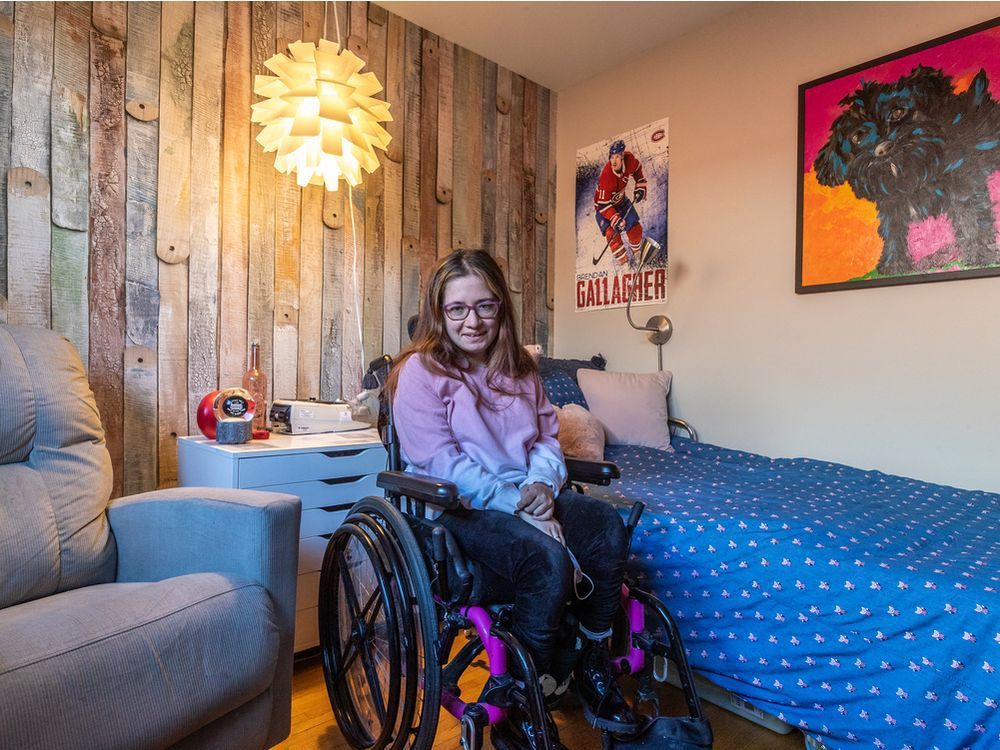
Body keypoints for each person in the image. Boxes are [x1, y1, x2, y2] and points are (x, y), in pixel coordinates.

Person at [387, 249, 639, 750]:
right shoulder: (422, 372)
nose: (472, 321)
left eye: (485, 306)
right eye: (457, 309)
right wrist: (519, 503)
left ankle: (590, 665)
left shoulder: (520, 369)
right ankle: (517, 704)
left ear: (501, 306)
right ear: (440, 312)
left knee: (606, 526)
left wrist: (543, 486)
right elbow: (441, 464)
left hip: (528, 494)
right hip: (459, 508)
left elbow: (547, 438)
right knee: (543, 557)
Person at [594, 139, 648, 268]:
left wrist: (640, 185)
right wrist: (615, 219)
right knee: (612, 236)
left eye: (617, 156)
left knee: (635, 229)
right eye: (612, 157)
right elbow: (603, 205)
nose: (614, 161)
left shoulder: (629, 160)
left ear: (623, 156)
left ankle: (636, 254)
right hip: (604, 208)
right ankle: (624, 265)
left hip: (621, 202)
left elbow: (637, 169)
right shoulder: (606, 176)